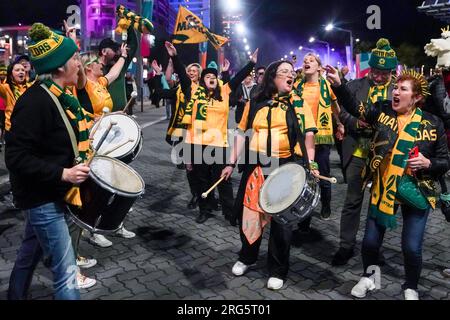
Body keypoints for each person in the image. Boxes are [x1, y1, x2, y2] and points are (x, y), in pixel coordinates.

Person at [327, 65, 449, 300]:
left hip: (417, 190)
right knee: (371, 242)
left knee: (411, 247)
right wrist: (339, 84)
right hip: (384, 187)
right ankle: (369, 278)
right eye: (395, 87)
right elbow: (356, 109)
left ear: (416, 98)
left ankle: (411, 286)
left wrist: (428, 163)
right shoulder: (383, 111)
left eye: (402, 89)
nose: (395, 92)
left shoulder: (433, 123)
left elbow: (445, 161)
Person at [6, 22, 91, 299]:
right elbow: (16, 157)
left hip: (49, 194)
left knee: (29, 254)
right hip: (42, 198)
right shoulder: (35, 102)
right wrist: (64, 174)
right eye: (74, 59)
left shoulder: (60, 97)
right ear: (58, 67)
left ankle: (15, 295)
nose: (79, 64)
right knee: (66, 273)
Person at [221, 60, 319, 290]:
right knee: (250, 216)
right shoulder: (254, 102)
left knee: (281, 221)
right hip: (255, 166)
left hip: (284, 166)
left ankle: (277, 269)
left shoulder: (299, 104)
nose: (290, 75)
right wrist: (230, 162)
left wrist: (311, 162)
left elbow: (308, 137)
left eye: (291, 73)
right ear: (272, 77)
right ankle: (247, 256)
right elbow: (242, 134)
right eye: (284, 72)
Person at [166, 41, 257, 224]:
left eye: (213, 76)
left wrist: (251, 63)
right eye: (207, 76)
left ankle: (230, 213)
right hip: (197, 144)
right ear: (202, 80)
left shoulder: (224, 91)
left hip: (219, 144)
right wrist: (174, 56)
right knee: (202, 180)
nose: (211, 78)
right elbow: (183, 77)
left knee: (223, 180)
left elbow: (238, 77)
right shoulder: (193, 91)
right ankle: (204, 209)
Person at [332, 39, 397, 266]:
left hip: (384, 157)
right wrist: (356, 123)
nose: (379, 77)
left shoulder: (397, 91)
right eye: (376, 72)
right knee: (352, 202)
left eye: (384, 74)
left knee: (378, 203)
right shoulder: (353, 87)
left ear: (391, 72)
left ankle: (372, 247)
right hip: (358, 153)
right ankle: (346, 246)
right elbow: (341, 113)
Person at [295, 53, 344, 223]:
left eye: (311, 60)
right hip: (301, 139)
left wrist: (340, 124)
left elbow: (335, 107)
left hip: (321, 138)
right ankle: (304, 215)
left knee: (323, 174)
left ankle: (326, 205)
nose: (306, 62)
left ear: (318, 67)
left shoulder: (326, 86)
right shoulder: (296, 86)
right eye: (305, 60)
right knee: (304, 176)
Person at [98, 25, 137, 112]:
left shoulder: (120, 63)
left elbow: (133, 45)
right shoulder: (94, 68)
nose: (117, 52)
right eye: (114, 49)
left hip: (122, 113)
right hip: (102, 116)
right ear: (104, 51)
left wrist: (128, 25)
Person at [0, 61, 33, 133]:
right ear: (11, 74)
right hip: (12, 129)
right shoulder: (6, 88)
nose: (21, 72)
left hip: (28, 127)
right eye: (17, 70)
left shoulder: (30, 87)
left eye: (23, 70)